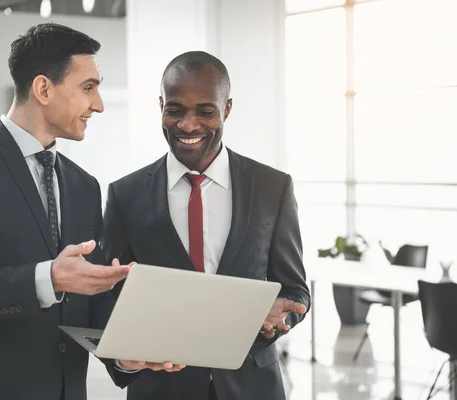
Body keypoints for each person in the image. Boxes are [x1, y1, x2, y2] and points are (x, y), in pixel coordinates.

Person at [0, 23, 182, 400]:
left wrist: (125, 355)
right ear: (43, 88)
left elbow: (90, 299)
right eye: (88, 88)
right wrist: (46, 279)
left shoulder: (84, 185)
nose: (98, 104)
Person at [101, 51, 310, 400]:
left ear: (226, 109)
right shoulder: (126, 194)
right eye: (175, 109)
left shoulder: (272, 187)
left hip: (252, 386)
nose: (188, 124)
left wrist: (279, 317)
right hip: (161, 388)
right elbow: (109, 297)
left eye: (205, 111)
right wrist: (123, 361)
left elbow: (295, 290)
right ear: (160, 106)